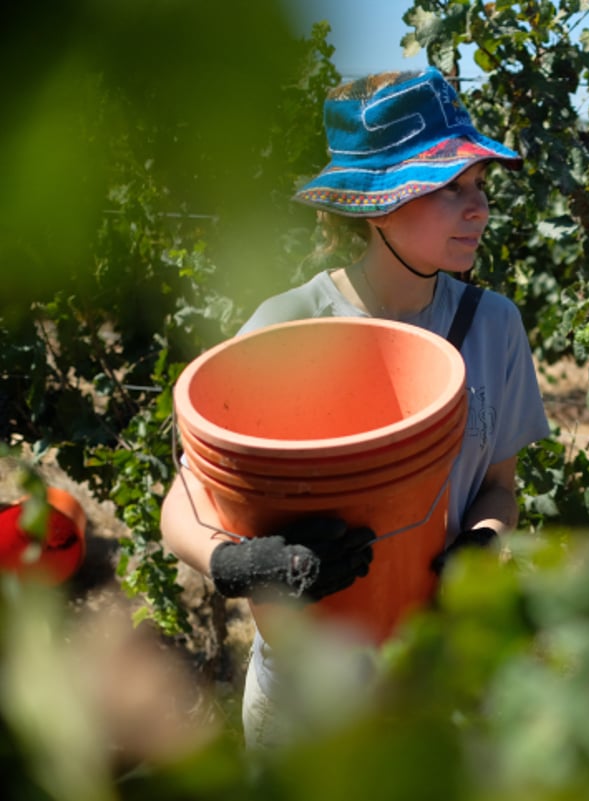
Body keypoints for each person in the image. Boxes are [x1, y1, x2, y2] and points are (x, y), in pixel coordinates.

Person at [160, 67, 551, 748]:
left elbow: (498, 485)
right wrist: (236, 563)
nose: (479, 209)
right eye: (449, 188)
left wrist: (485, 541)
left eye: (480, 186)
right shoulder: (290, 327)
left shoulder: (494, 327)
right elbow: (184, 497)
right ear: (377, 204)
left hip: (440, 681)